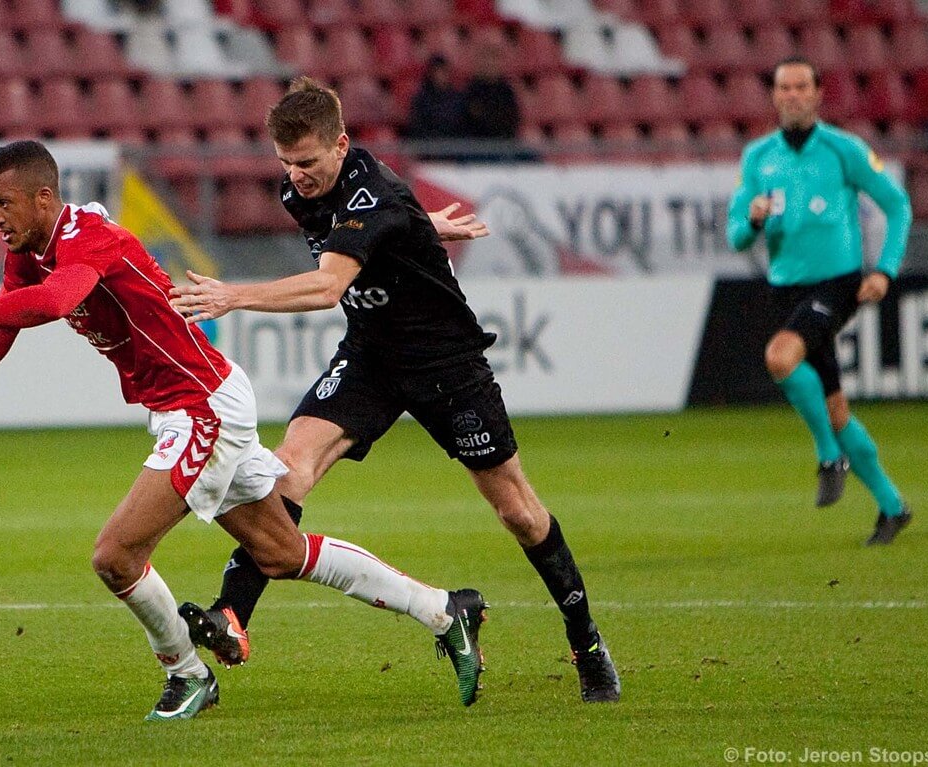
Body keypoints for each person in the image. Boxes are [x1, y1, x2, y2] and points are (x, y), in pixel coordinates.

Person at [0, 140, 490, 720]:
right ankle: (445, 611)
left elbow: (55, 302)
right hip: (190, 400)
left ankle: (187, 674)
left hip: (203, 404)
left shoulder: (90, 236)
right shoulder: (31, 248)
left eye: (1, 203)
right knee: (280, 552)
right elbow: (7, 321)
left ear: (42, 198)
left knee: (116, 556)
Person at [170, 78, 621, 703]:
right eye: (285, 162)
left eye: (306, 162)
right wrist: (422, 225)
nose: (294, 176)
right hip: (372, 357)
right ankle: (231, 614)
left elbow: (328, 285)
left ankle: (587, 640)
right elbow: (382, 225)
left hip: (447, 362)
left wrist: (233, 294)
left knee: (518, 511)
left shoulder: (370, 189)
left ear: (342, 145)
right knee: (286, 473)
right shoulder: (308, 192)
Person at [726, 57, 913, 546]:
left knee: (779, 357)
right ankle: (893, 507)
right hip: (786, 286)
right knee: (835, 408)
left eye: (800, 86)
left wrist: (885, 271)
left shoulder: (843, 149)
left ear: (817, 94)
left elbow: (898, 205)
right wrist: (754, 220)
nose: (791, 95)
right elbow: (737, 238)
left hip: (836, 284)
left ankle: (830, 457)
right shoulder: (758, 157)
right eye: (783, 87)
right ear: (774, 95)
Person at [405, 55, 468, 157]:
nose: (441, 75)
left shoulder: (458, 98)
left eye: (444, 71)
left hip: (454, 154)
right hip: (429, 154)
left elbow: (462, 127)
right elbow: (418, 128)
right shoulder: (422, 100)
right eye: (438, 71)